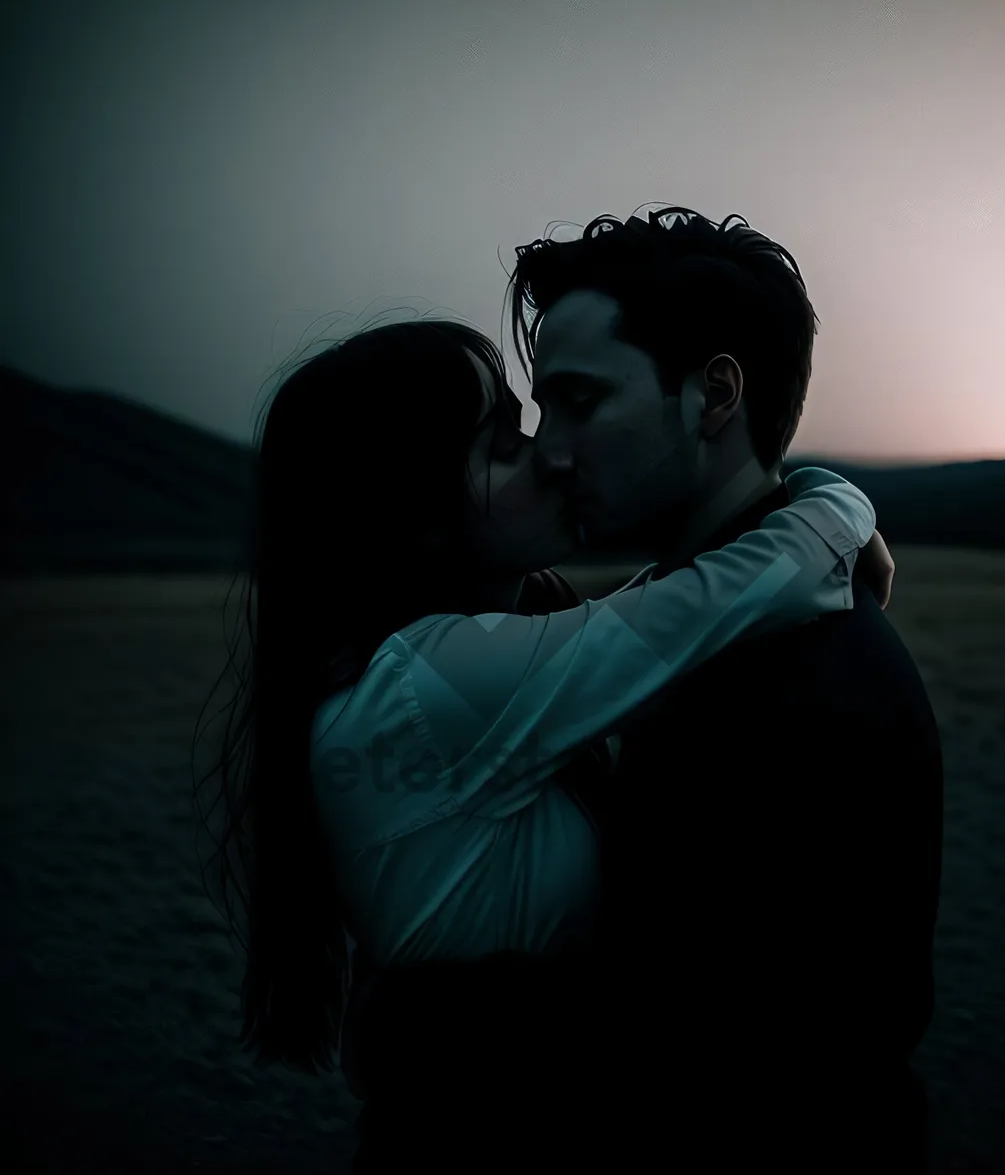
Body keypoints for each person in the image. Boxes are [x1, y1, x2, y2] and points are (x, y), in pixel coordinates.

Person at [192, 316, 892, 1169]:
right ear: (413, 514)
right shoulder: (431, 684)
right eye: (505, 444)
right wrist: (836, 502)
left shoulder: (458, 666)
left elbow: (657, 612)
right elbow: (727, 598)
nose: (554, 457)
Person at [506, 205, 943, 1167]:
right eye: (542, 412)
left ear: (713, 395)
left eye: (580, 402)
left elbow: (729, 1073)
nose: (550, 450)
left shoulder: (780, 681)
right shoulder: (724, 628)